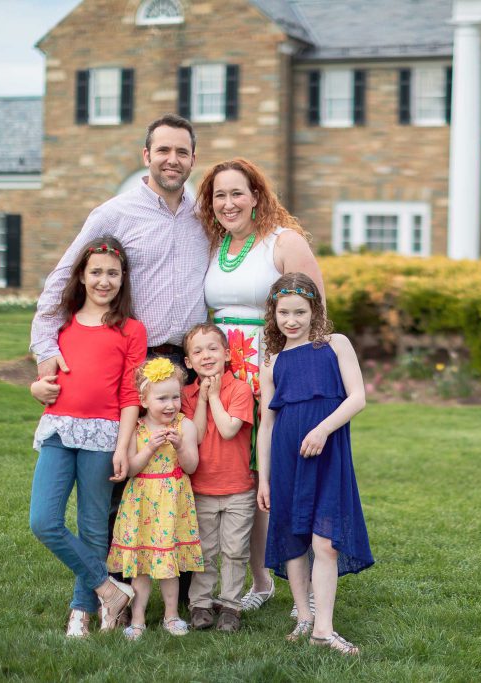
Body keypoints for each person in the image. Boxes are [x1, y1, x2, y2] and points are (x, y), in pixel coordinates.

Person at [30, 113, 208, 601]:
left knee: (182, 468)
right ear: (146, 156)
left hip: (185, 363)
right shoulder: (115, 213)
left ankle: (182, 593)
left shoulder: (203, 215)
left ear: (193, 159)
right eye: (163, 150)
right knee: (122, 473)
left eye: (183, 151)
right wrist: (46, 356)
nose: (173, 159)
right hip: (131, 360)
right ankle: (116, 587)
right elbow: (62, 281)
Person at [195, 157, 325, 613]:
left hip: (274, 368)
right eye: (219, 195)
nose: (228, 203)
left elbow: (317, 310)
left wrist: (308, 379)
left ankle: (306, 587)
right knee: (240, 481)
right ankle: (262, 582)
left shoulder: (282, 241)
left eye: (237, 193)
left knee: (284, 480)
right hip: (225, 376)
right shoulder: (213, 246)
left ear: (256, 196)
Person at [28, 236, 144, 638]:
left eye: (112, 273)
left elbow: (131, 394)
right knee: (44, 521)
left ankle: (82, 612)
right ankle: (109, 589)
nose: (103, 280)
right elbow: (45, 378)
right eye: (96, 272)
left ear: (123, 278)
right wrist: (34, 389)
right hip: (59, 427)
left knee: (94, 526)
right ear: (82, 274)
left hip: (104, 433)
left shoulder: (131, 330)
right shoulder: (61, 323)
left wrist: (123, 445)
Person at [256, 273, 374, 656]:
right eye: (283, 312)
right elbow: (266, 424)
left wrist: (323, 430)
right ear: (272, 314)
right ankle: (305, 618)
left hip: (327, 452)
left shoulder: (334, 345)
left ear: (315, 311)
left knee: (326, 543)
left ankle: (324, 629)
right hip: (287, 456)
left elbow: (357, 398)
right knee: (293, 538)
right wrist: (264, 479)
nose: (291, 320)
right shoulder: (273, 360)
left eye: (300, 312)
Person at [107, 357, 202, 639]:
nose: (171, 405)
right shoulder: (136, 429)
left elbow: (192, 466)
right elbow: (131, 470)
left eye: (176, 397)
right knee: (141, 565)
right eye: (162, 398)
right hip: (142, 504)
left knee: (168, 565)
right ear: (144, 400)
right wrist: (148, 448)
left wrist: (181, 446)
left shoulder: (185, 426)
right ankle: (137, 619)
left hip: (173, 504)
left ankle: (171, 616)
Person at [180, 324, 256, 633]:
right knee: (205, 551)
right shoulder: (186, 395)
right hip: (202, 487)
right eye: (197, 351)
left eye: (212, 348)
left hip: (238, 487)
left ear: (226, 354)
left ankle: (230, 605)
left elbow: (227, 430)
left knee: (235, 551)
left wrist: (212, 398)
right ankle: (200, 603)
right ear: (188, 362)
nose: (205, 355)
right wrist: (200, 399)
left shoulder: (240, 389)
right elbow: (195, 437)